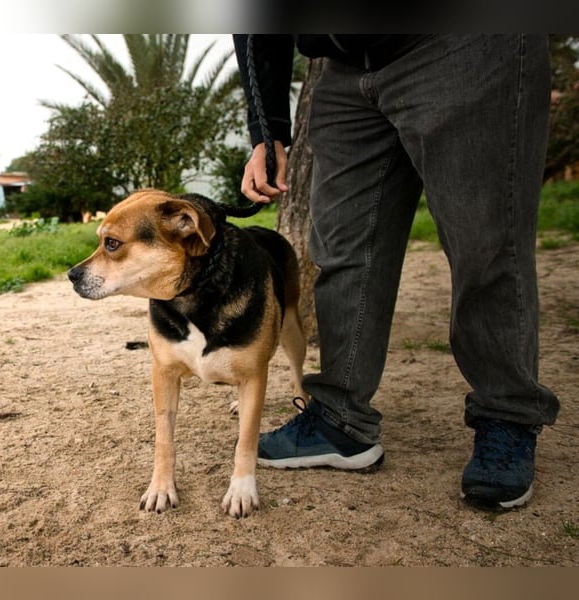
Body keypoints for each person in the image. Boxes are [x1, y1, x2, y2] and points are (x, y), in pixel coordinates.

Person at [233, 34, 560, 510]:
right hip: (343, 65)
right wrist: (268, 129)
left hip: (464, 41)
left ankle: (507, 415)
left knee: (485, 243)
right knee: (342, 249)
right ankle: (341, 419)